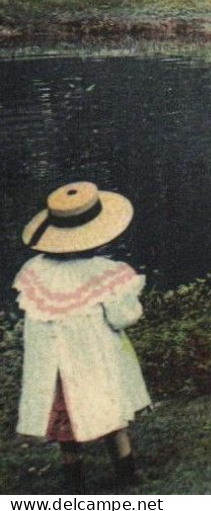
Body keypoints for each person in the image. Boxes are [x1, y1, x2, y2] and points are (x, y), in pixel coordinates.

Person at [15, 182, 150, 490]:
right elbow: (123, 317)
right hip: (96, 364)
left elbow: (35, 329)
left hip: (57, 371)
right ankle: (128, 476)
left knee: (67, 428)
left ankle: (75, 483)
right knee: (111, 416)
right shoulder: (105, 273)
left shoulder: (34, 273)